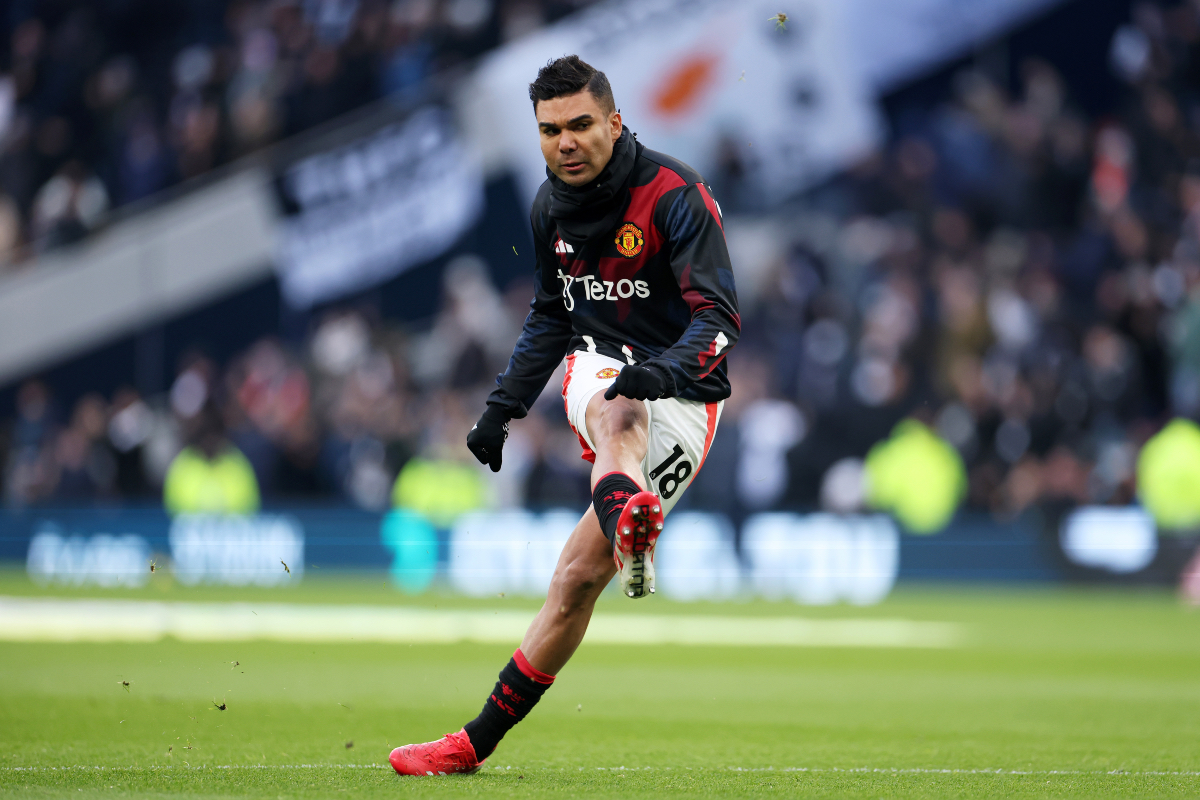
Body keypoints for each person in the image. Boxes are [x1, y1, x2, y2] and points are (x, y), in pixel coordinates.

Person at [389, 55, 740, 776]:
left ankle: (473, 743)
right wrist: (502, 408)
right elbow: (551, 317)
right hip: (605, 363)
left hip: (689, 395)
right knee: (617, 410)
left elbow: (720, 318)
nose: (565, 142)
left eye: (580, 124)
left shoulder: (677, 195)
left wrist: (665, 369)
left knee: (576, 581)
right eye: (550, 130)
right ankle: (631, 521)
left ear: (614, 121)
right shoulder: (549, 207)